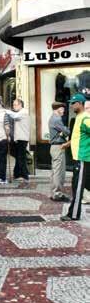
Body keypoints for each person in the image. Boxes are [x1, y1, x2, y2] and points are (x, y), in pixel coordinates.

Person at [61, 93, 90, 221]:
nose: (71, 105)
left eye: (73, 103)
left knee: (78, 187)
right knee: (76, 185)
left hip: (82, 157)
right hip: (79, 157)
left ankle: (73, 214)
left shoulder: (85, 118)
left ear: (80, 104)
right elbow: (78, 137)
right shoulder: (79, 117)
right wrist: (68, 144)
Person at [48, 101, 70, 202]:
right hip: (58, 146)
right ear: (58, 109)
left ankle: (54, 192)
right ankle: (57, 193)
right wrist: (66, 130)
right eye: (62, 108)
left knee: (55, 171)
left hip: (55, 147)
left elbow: (63, 131)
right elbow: (66, 131)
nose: (64, 110)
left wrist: (63, 131)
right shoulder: (57, 119)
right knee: (59, 171)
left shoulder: (53, 118)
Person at [6, 99, 30, 184]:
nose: (13, 106)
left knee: (21, 157)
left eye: (15, 105)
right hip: (19, 138)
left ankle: (24, 175)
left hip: (22, 138)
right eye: (13, 105)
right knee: (18, 156)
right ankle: (17, 173)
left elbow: (15, 116)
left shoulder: (24, 112)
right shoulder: (20, 112)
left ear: (20, 105)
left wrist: (6, 111)